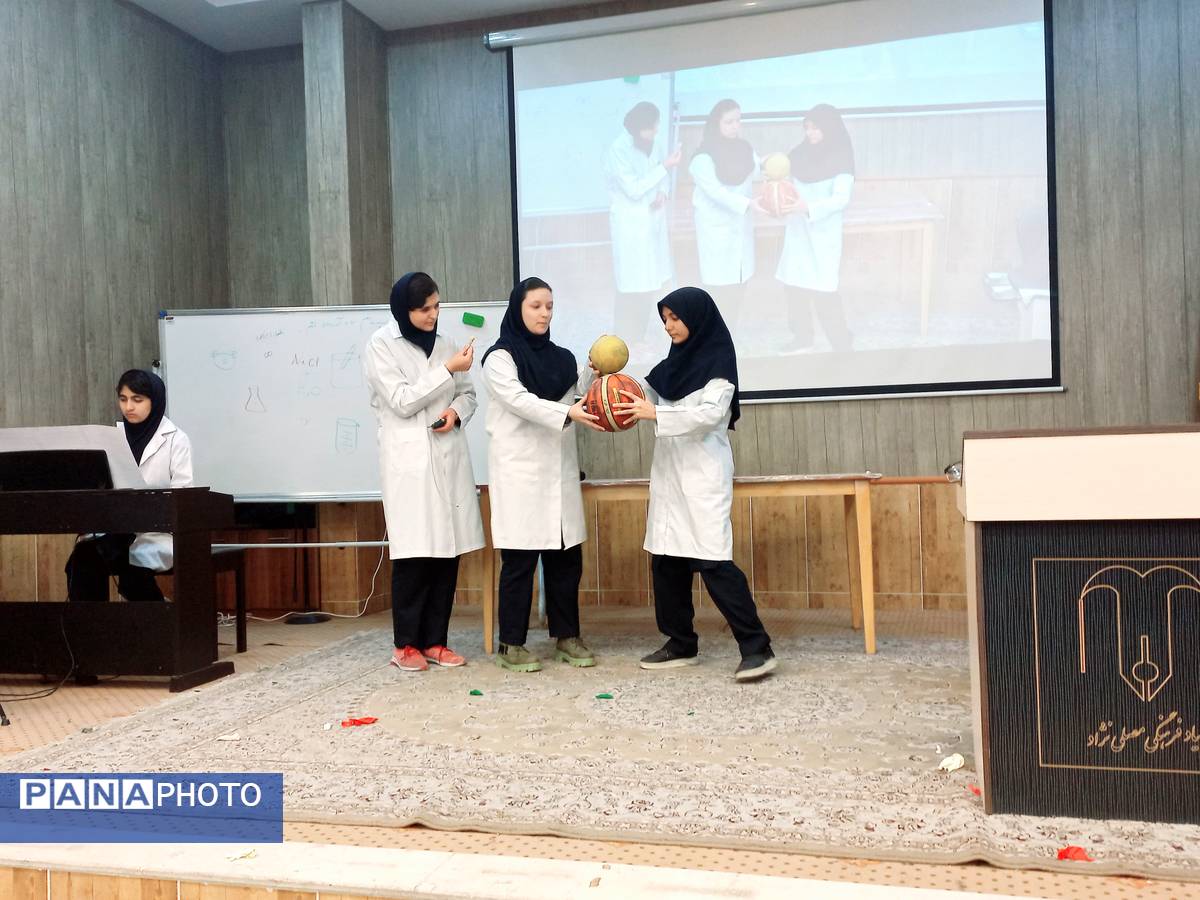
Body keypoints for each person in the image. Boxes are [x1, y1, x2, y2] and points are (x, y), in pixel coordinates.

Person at [613, 287, 776, 682]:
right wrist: (611, 385)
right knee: (666, 560)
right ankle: (680, 643)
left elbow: (710, 415)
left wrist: (656, 414)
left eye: (675, 317)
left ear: (697, 318)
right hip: (669, 475)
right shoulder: (672, 366)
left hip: (703, 475)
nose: (668, 326)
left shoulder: (718, 364)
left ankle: (757, 648)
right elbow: (641, 394)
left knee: (712, 561)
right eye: (664, 319)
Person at [482, 277, 603, 672]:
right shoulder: (499, 358)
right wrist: (567, 411)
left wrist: (592, 374)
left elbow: (575, 394)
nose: (544, 313)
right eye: (535, 306)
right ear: (518, 308)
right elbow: (520, 401)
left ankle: (567, 637)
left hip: (559, 471)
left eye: (549, 306)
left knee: (566, 559)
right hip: (520, 473)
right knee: (519, 561)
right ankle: (511, 644)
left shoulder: (561, 357)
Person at [364, 272, 484, 673]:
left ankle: (435, 641)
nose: (433, 315)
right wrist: (447, 370)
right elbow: (401, 401)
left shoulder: (447, 343)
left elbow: (468, 394)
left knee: (446, 553)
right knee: (415, 554)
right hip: (409, 461)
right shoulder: (381, 345)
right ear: (404, 310)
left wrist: (456, 412)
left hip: (448, 455)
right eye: (423, 310)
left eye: (436, 306)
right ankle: (405, 645)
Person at [65, 369, 192, 604]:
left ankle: (158, 620)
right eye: (123, 399)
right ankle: (92, 625)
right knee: (81, 560)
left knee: (133, 571)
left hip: (157, 533)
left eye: (137, 399)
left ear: (154, 400)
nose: (129, 407)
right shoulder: (112, 437)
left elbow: (183, 496)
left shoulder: (176, 439)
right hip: (117, 530)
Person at [776, 104, 856, 352]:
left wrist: (808, 207)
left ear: (829, 128)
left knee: (824, 291)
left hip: (823, 233)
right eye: (807, 128)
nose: (810, 133)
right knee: (794, 288)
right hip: (798, 230)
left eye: (816, 128)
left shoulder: (841, 156)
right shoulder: (799, 154)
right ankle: (802, 337)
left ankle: (841, 343)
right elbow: (782, 177)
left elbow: (841, 199)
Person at [603, 101, 682, 340]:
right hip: (630, 223)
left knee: (650, 282)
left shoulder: (655, 143)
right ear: (637, 129)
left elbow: (663, 178)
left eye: (656, 125)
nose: (656, 131)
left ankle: (639, 336)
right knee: (630, 283)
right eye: (651, 127)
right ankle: (625, 336)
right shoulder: (618, 150)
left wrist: (663, 192)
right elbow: (634, 189)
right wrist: (664, 167)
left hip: (652, 221)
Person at [688, 99, 762, 329]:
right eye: (729, 122)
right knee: (718, 290)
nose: (735, 126)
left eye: (738, 120)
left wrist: (773, 166)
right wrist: (747, 204)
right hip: (716, 229)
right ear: (716, 123)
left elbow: (757, 169)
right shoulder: (702, 158)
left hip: (740, 227)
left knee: (739, 284)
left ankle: (730, 334)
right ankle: (712, 336)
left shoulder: (745, 149)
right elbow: (716, 193)